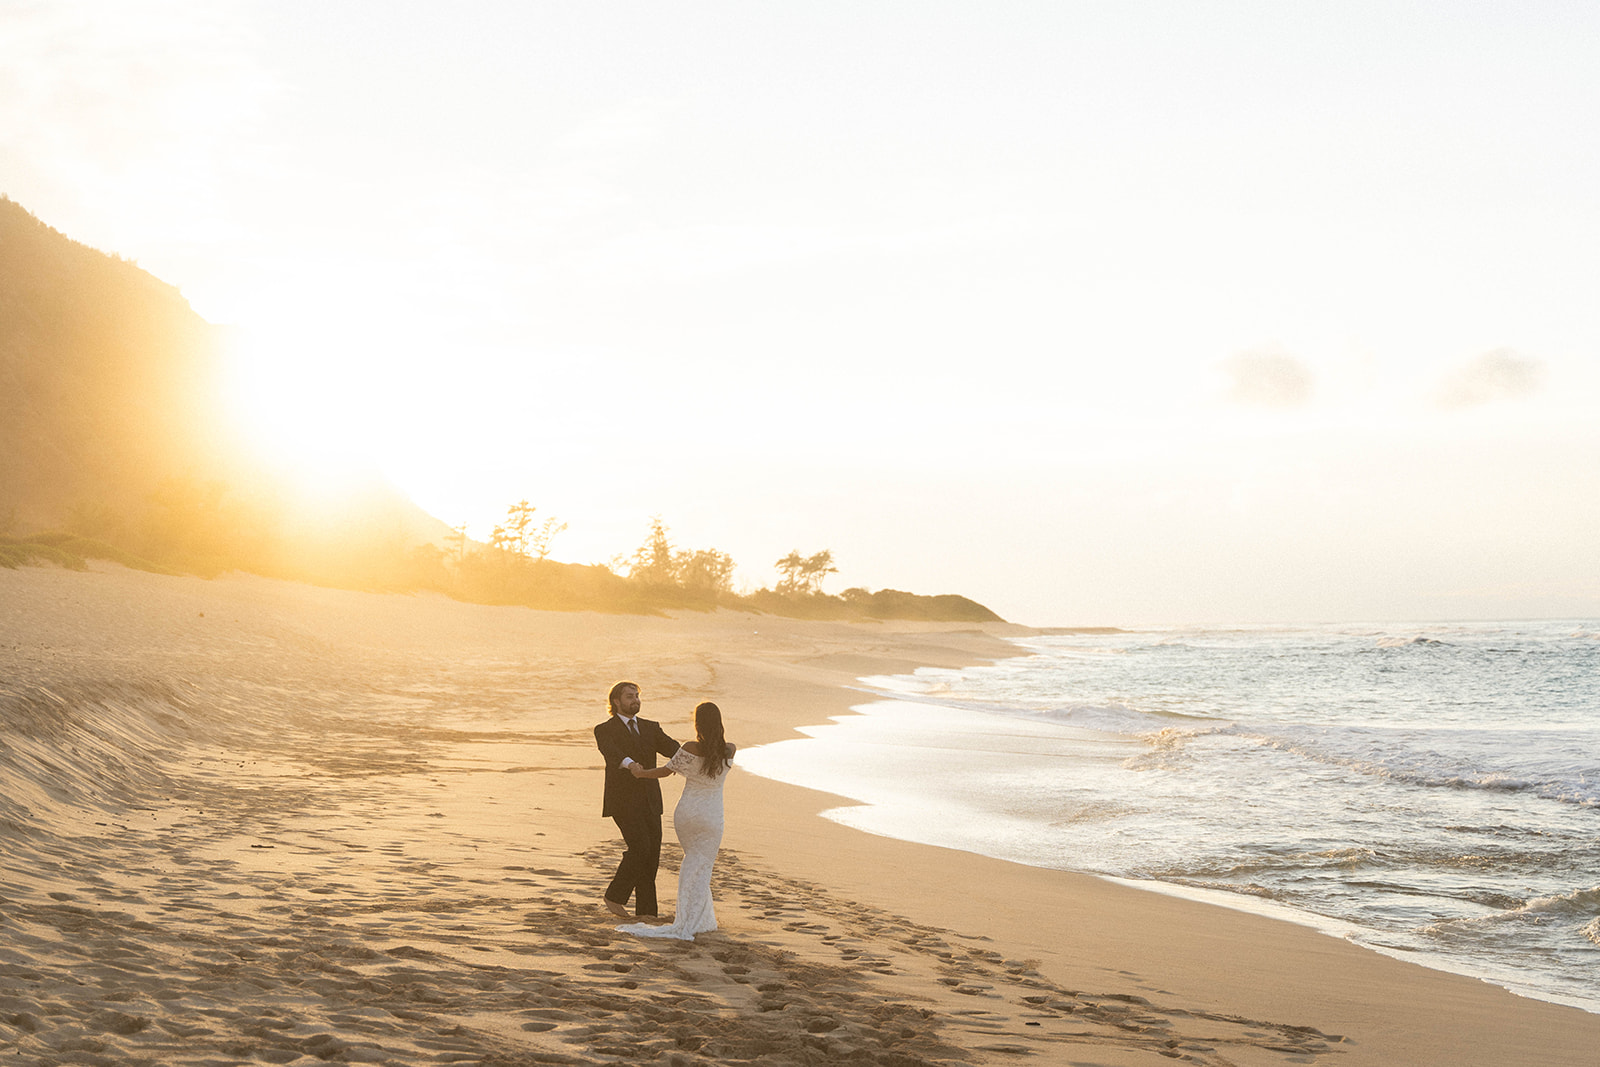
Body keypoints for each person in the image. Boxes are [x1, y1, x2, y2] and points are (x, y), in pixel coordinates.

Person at [618, 701, 736, 941]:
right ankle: (697, 919)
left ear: (698, 723)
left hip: (688, 813)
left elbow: (666, 770)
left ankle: (694, 918)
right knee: (703, 865)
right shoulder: (730, 750)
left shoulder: (691, 747)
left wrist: (641, 774)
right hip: (712, 815)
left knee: (692, 861)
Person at [594, 681, 680, 919]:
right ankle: (614, 896)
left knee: (652, 855)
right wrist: (630, 764)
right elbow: (612, 754)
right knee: (640, 846)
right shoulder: (604, 729)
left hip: (650, 799)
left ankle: (647, 914)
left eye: (637, 696)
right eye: (630, 696)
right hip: (622, 800)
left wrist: (697, 756)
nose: (636, 700)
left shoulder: (651, 727)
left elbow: (673, 749)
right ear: (616, 701)